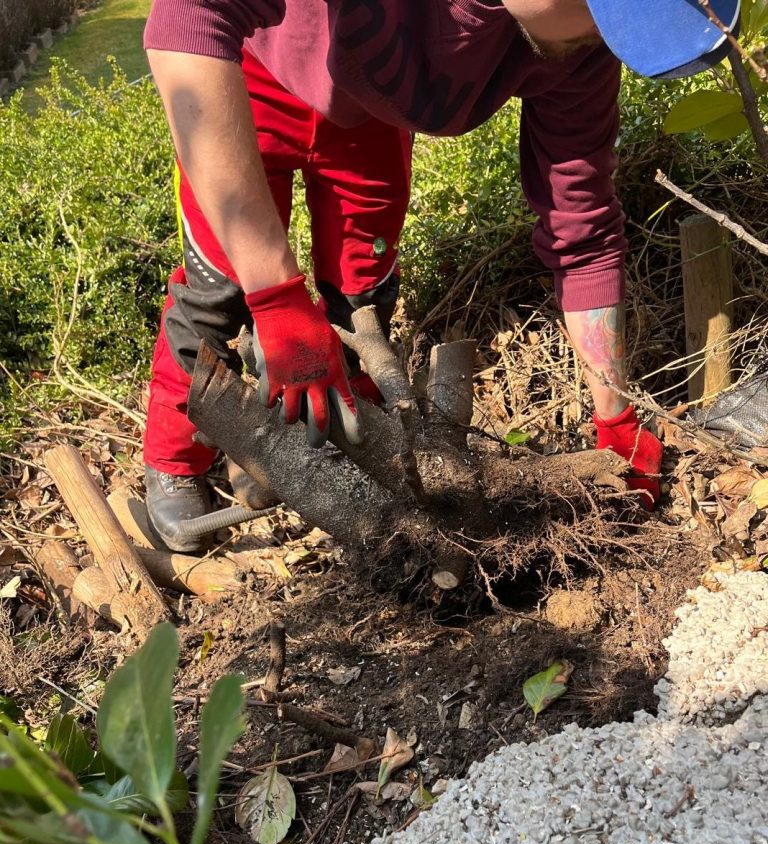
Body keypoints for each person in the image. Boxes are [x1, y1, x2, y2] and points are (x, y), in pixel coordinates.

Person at [141, 0, 740, 551]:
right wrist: (274, 294)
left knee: (360, 297)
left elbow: (581, 228)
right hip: (243, 83)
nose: (604, 40)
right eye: (604, 13)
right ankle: (174, 460)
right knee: (220, 290)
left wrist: (616, 417)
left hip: (368, 118)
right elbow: (188, 18)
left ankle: (324, 444)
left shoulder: (580, 44)